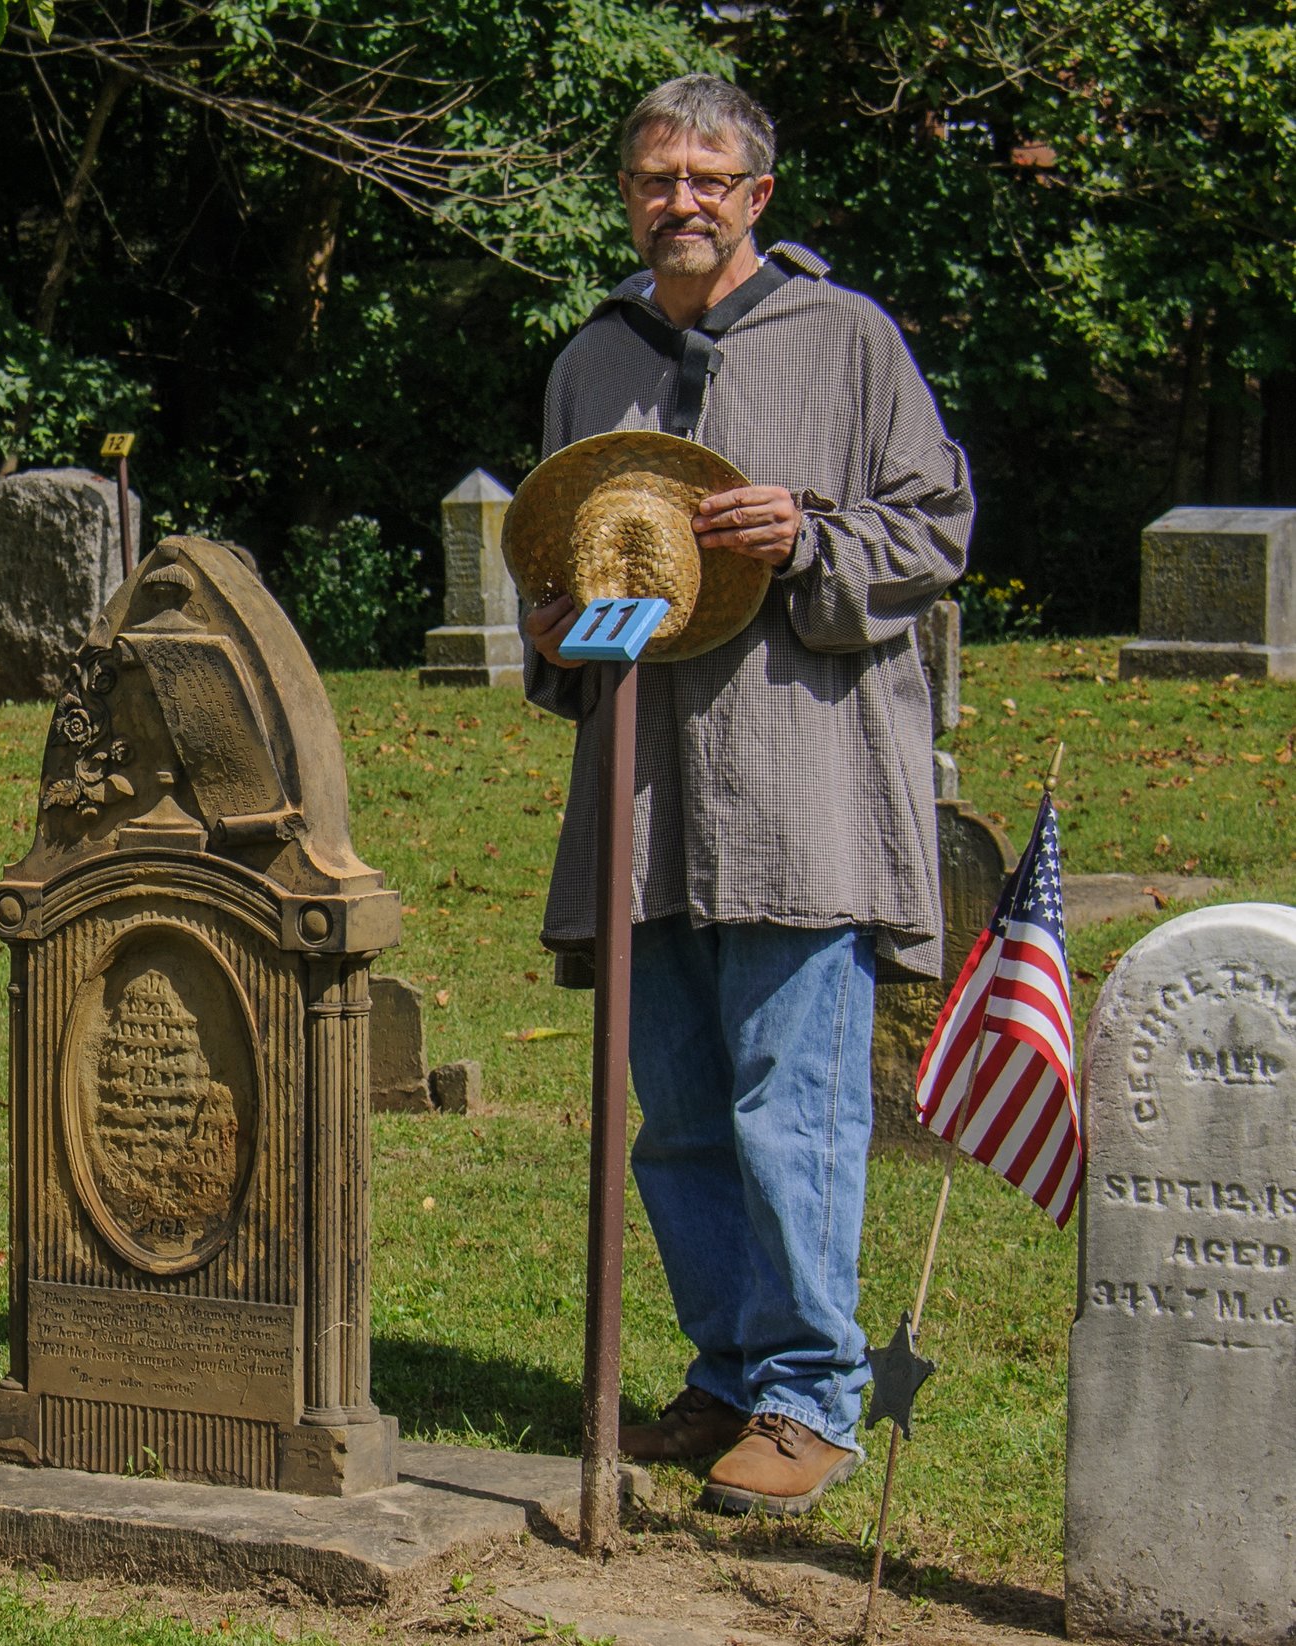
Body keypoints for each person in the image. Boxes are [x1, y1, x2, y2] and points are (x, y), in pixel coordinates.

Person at [519, 76, 973, 1514]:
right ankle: (723, 1377)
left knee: (799, 1107)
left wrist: (810, 532)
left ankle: (810, 1397)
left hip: (802, 791)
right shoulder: (596, 361)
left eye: (711, 177)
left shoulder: (849, 340)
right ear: (630, 194)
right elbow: (573, 577)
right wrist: (555, 626)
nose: (684, 200)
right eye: (659, 177)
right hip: (645, 806)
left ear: (758, 197)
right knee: (681, 1118)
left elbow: (939, 525)